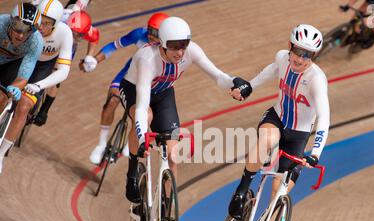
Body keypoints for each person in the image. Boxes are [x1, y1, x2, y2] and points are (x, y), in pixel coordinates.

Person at [119, 16, 251, 206]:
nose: (180, 52)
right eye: (174, 46)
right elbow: (140, 107)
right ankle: (132, 174)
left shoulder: (192, 51)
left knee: (173, 155)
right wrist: (142, 139)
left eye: (184, 45)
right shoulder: (147, 59)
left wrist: (234, 81)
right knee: (145, 116)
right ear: (162, 44)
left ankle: (167, 209)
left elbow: (218, 76)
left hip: (164, 94)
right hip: (134, 90)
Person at [228, 24, 330, 220]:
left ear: (314, 56)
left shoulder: (316, 79)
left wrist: (315, 154)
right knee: (266, 140)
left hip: (298, 135)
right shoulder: (282, 57)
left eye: (308, 55)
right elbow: (271, 70)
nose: (301, 59)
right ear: (290, 46)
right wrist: (250, 86)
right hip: (277, 118)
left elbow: (324, 118)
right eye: (298, 52)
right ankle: (241, 190)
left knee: (278, 191)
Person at [86, 12, 170, 165]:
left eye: (156, 33)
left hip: (151, 81)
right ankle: (101, 144)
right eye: (150, 31)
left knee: (141, 113)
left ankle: (131, 140)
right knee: (111, 102)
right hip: (129, 74)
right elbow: (113, 46)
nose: (151, 36)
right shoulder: (139, 34)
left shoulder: (168, 48)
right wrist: (95, 61)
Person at [0, 0, 73, 174]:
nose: (42, 26)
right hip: (16, 61)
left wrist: (38, 85)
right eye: (41, 20)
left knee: (24, 105)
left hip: (41, 69)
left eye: (47, 23)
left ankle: (1, 154)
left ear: (56, 24)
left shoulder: (63, 33)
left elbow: (63, 72)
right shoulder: (24, 28)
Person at [32, 9, 99, 125]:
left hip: (68, 48)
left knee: (58, 72)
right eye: (73, 33)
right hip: (54, 38)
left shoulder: (88, 30)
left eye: (79, 35)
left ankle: (44, 110)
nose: (75, 37)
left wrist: (89, 56)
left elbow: (95, 38)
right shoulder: (60, 22)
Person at [0, 2, 43, 174]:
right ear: (11, 22)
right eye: (18, 28)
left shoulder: (35, 42)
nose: (20, 34)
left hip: (11, 66)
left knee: (2, 97)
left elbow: (23, 77)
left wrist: (15, 88)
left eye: (27, 30)